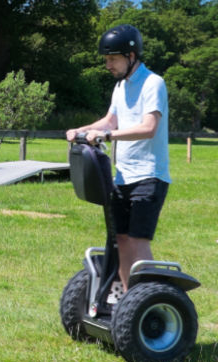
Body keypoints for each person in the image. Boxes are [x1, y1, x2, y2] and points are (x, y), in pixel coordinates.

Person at [66, 24, 170, 294]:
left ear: (131, 56)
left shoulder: (153, 83)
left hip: (149, 175)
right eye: (106, 59)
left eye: (112, 59)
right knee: (121, 240)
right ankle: (127, 298)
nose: (108, 64)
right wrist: (83, 130)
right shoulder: (120, 87)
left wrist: (107, 136)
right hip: (122, 176)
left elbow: (149, 128)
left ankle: (147, 298)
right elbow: (110, 120)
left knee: (138, 240)